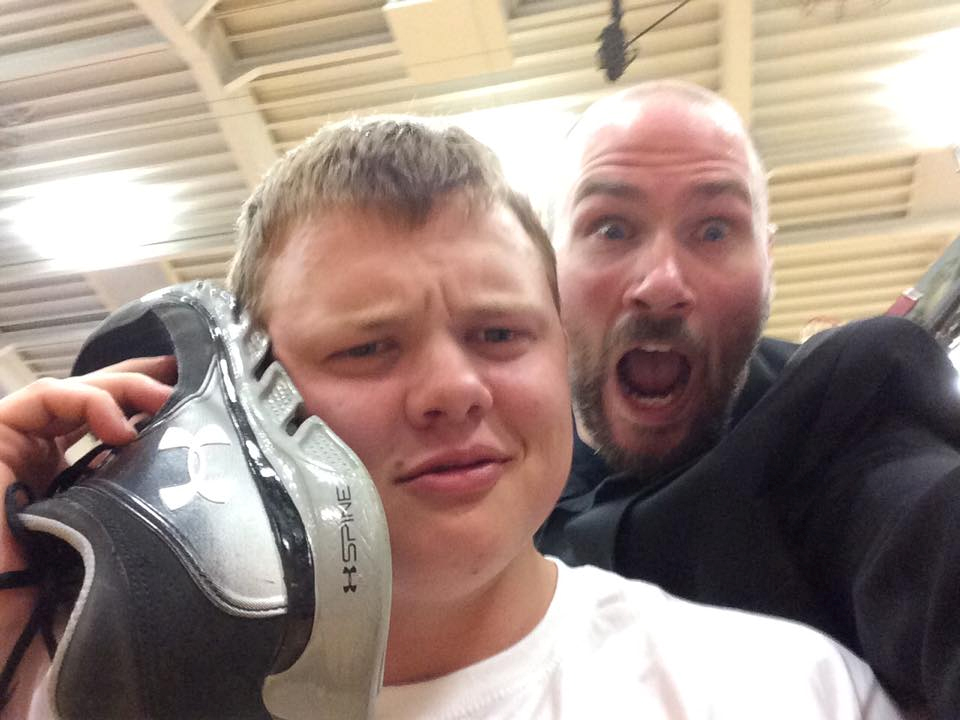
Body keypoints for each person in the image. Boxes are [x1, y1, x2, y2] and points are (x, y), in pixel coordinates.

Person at [0, 117, 905, 719]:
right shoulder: (85, 695)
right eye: (367, 348)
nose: (452, 390)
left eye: (501, 333)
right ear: (234, 396)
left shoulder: (789, 692)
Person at [535, 79, 960, 719]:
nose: (661, 283)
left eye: (712, 230)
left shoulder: (843, 423)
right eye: (612, 228)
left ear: (768, 266)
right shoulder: (491, 468)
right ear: (544, 268)